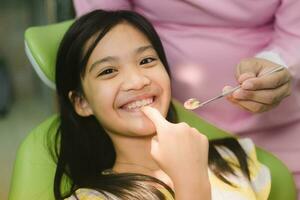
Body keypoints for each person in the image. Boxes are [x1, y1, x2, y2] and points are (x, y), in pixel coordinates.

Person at [73, 0, 300, 195]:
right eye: (108, 71)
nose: (137, 81)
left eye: (146, 61)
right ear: (81, 102)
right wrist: (190, 182)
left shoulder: (236, 163)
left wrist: (280, 63)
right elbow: (100, 33)